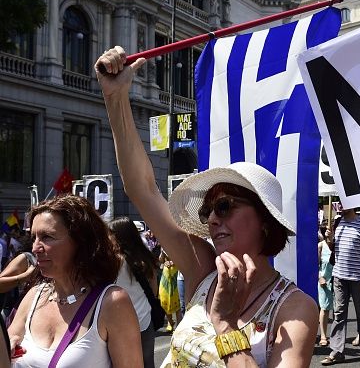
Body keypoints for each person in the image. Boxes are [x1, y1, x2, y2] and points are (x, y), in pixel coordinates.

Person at [95, 47, 318, 367]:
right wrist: (115, 99)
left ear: (265, 221)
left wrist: (226, 324)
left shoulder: (294, 309)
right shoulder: (203, 268)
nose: (212, 218)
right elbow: (142, 189)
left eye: (225, 206)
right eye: (208, 210)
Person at [8, 194, 142, 367]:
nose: (35, 248)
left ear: (80, 241)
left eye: (47, 237)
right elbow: (8, 346)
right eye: (34, 238)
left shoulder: (112, 302)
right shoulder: (34, 296)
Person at [321, 207, 360, 365]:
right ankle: (337, 351)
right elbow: (333, 249)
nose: (341, 207)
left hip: (358, 277)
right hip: (339, 276)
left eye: (344, 204)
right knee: (338, 314)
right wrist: (329, 239)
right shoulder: (337, 223)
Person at [108, 216, 160, 368]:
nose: (108, 238)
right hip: (144, 319)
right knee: (147, 362)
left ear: (119, 236)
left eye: (110, 234)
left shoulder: (113, 261)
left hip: (119, 324)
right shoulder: (144, 258)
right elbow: (154, 290)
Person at [318, 222, 334, 347]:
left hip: (338, 280)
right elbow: (315, 265)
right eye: (327, 230)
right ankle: (323, 335)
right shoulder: (320, 246)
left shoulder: (337, 245)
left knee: (339, 310)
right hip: (324, 280)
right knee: (324, 308)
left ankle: (337, 335)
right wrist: (320, 277)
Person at [159, 250, 181, 332]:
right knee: (165, 298)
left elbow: (183, 257)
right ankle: (170, 322)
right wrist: (163, 258)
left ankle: (179, 325)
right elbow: (161, 260)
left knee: (177, 297)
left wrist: (174, 261)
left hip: (176, 273)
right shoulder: (163, 245)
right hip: (166, 274)